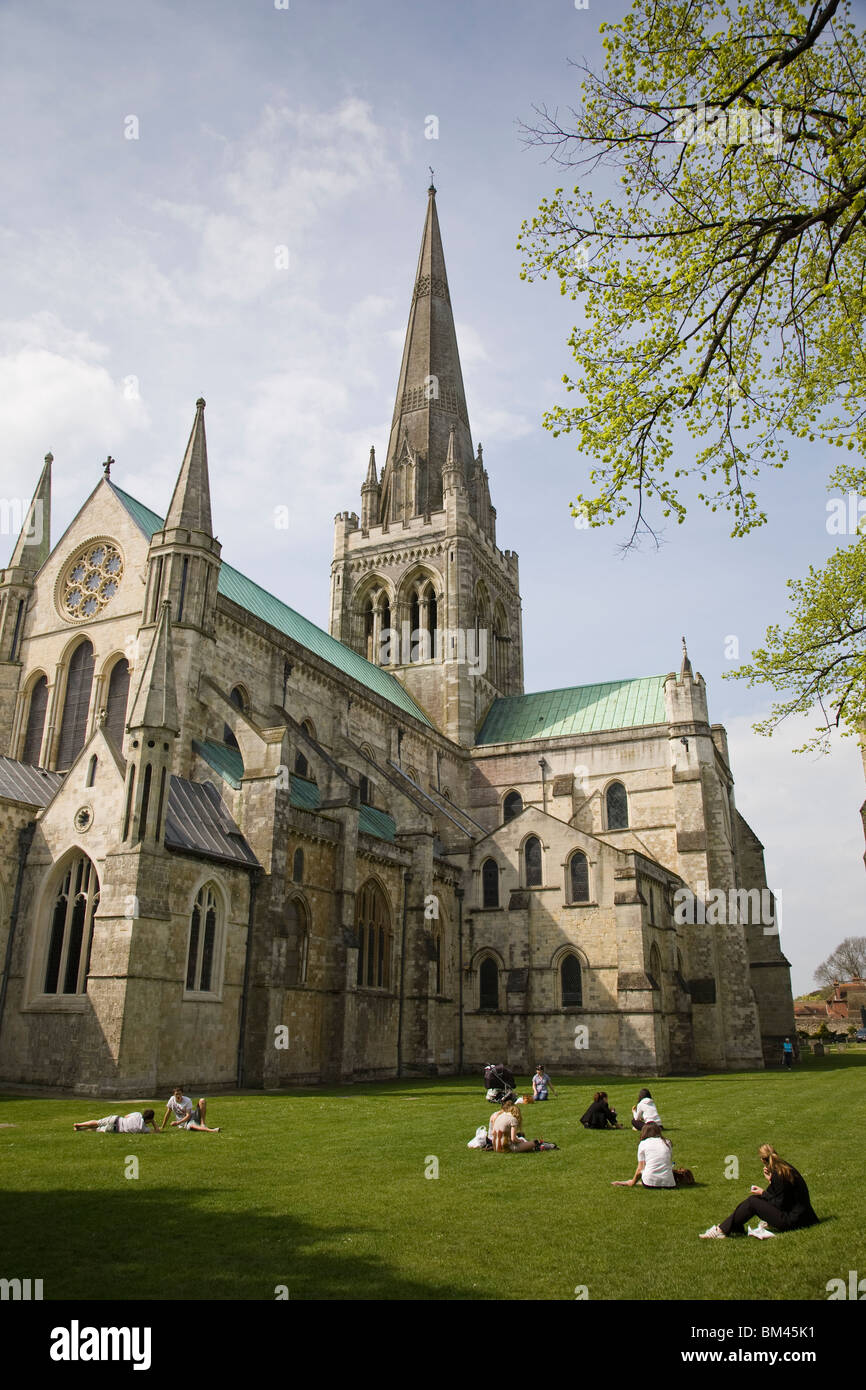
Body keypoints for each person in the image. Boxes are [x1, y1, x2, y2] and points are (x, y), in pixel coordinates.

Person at [700, 1144, 818, 1239]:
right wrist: (770, 1181)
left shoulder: (779, 1174)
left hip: (793, 1221)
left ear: (762, 1160)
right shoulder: (784, 1168)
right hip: (804, 1217)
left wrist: (763, 1193)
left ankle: (721, 1230)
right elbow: (783, 1196)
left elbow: (779, 1203)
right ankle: (733, 1227)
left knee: (753, 1202)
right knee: (755, 1200)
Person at [612, 1121, 675, 1188]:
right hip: (669, 1183)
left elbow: (640, 1168)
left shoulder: (643, 1144)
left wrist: (631, 1182)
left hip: (650, 1183)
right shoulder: (667, 1142)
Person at [74, 1109, 159, 1133]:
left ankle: (79, 1124)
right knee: (97, 1129)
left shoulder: (137, 1114)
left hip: (116, 1119)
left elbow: (126, 1116)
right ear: (149, 1119)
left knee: (97, 1122)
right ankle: (81, 1130)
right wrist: (153, 1122)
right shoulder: (143, 1128)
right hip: (116, 1129)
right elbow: (157, 1131)